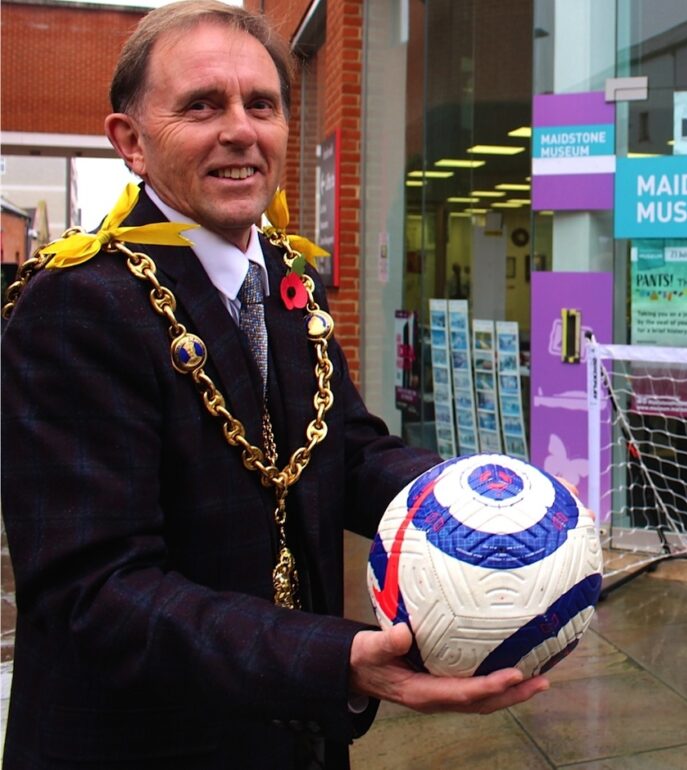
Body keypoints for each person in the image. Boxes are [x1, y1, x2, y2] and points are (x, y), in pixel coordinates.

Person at [0, 2, 547, 768]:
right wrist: (335, 659)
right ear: (130, 141)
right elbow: (97, 591)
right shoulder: (75, 306)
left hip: (296, 740)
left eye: (261, 104)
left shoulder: (292, 278)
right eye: (201, 105)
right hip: (149, 745)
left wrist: (492, 497)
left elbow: (345, 452)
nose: (240, 130)